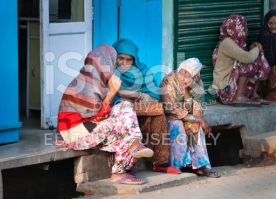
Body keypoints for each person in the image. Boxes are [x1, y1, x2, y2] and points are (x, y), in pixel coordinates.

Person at [57, 44, 154, 185]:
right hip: (76, 134)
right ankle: (121, 170)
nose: (113, 67)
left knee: (124, 107)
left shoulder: (97, 81)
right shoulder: (83, 84)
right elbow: (97, 115)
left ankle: (134, 146)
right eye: (112, 62)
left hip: (88, 127)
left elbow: (100, 113)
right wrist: (112, 93)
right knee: (123, 129)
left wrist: (116, 95)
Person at [112, 38, 181, 174]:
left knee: (158, 113)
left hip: (140, 112)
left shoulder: (143, 71)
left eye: (129, 59)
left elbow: (155, 97)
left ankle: (160, 162)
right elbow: (108, 98)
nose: (124, 63)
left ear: (135, 60)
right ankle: (126, 166)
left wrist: (136, 95)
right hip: (120, 117)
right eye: (120, 58)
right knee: (127, 117)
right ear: (115, 57)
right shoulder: (110, 72)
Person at [160, 57, 220, 178]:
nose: (182, 77)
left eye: (187, 75)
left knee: (196, 126)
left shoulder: (198, 84)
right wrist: (197, 118)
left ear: (195, 76)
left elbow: (198, 109)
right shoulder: (168, 81)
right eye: (181, 72)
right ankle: (177, 166)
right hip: (170, 116)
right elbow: (172, 110)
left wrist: (187, 92)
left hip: (187, 116)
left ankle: (203, 166)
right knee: (178, 125)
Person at [212, 15, 270, 106]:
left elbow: (248, 56)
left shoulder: (238, 42)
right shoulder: (227, 43)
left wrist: (254, 49)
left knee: (258, 59)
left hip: (233, 86)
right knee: (246, 63)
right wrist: (257, 48)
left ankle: (253, 94)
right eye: (245, 27)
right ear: (238, 28)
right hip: (225, 91)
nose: (247, 30)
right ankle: (239, 97)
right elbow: (247, 58)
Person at [258, 9, 276, 102]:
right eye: (270, 23)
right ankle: (271, 92)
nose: (273, 26)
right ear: (266, 24)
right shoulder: (265, 35)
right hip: (267, 75)